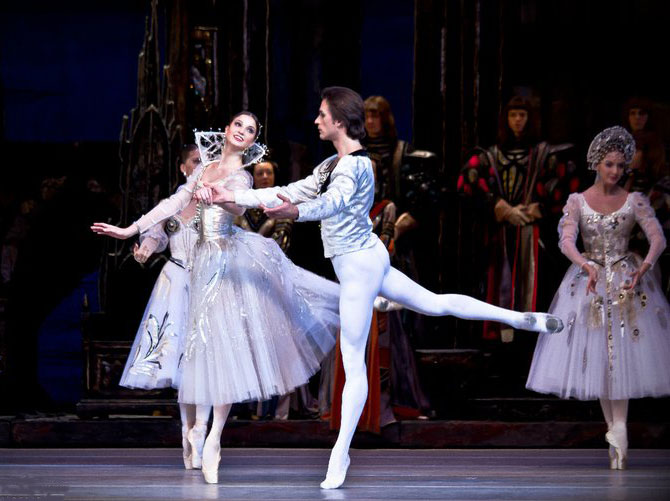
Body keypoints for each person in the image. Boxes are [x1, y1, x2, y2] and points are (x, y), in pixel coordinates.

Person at [205, 87, 565, 489]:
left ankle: (339, 455)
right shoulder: (332, 164)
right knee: (434, 302)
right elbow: (290, 190)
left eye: (322, 115)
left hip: (359, 269)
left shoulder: (356, 166)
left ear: (339, 120)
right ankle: (520, 318)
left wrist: (297, 212)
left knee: (354, 362)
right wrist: (233, 194)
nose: (317, 121)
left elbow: (329, 204)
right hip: (370, 258)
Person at [92, 112, 340, 484]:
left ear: (252, 140)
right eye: (238, 125)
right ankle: (194, 427)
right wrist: (130, 229)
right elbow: (173, 204)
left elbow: (241, 205)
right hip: (199, 263)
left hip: (228, 259)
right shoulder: (203, 168)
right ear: (227, 130)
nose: (242, 132)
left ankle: (215, 436)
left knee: (223, 346)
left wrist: (224, 200)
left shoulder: (241, 174)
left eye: (250, 130)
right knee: (198, 347)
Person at [526, 126, 670, 470]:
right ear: (596, 163)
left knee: (619, 354)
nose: (616, 171)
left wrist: (645, 267)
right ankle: (615, 429)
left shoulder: (634, 200)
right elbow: (566, 241)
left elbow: (658, 238)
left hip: (625, 282)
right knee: (602, 361)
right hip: (589, 284)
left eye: (621, 166)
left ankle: (618, 428)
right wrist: (584, 264)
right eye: (609, 164)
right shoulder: (577, 200)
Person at [458, 96, 577, 342]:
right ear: (506, 119)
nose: (518, 120)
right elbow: (465, 184)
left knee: (536, 285)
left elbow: (567, 187)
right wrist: (498, 206)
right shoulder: (491, 154)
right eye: (513, 115)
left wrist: (539, 209)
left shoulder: (544, 153)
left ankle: (530, 341)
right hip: (499, 233)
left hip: (534, 234)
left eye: (522, 115)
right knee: (497, 283)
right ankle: (501, 339)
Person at [118, 144, 206, 471]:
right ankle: (187, 429)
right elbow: (156, 235)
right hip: (177, 281)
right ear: (184, 168)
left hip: (208, 282)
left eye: (206, 162)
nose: (201, 166)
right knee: (180, 363)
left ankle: (202, 431)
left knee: (205, 361)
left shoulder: (214, 201)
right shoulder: (172, 205)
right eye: (196, 162)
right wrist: (145, 248)